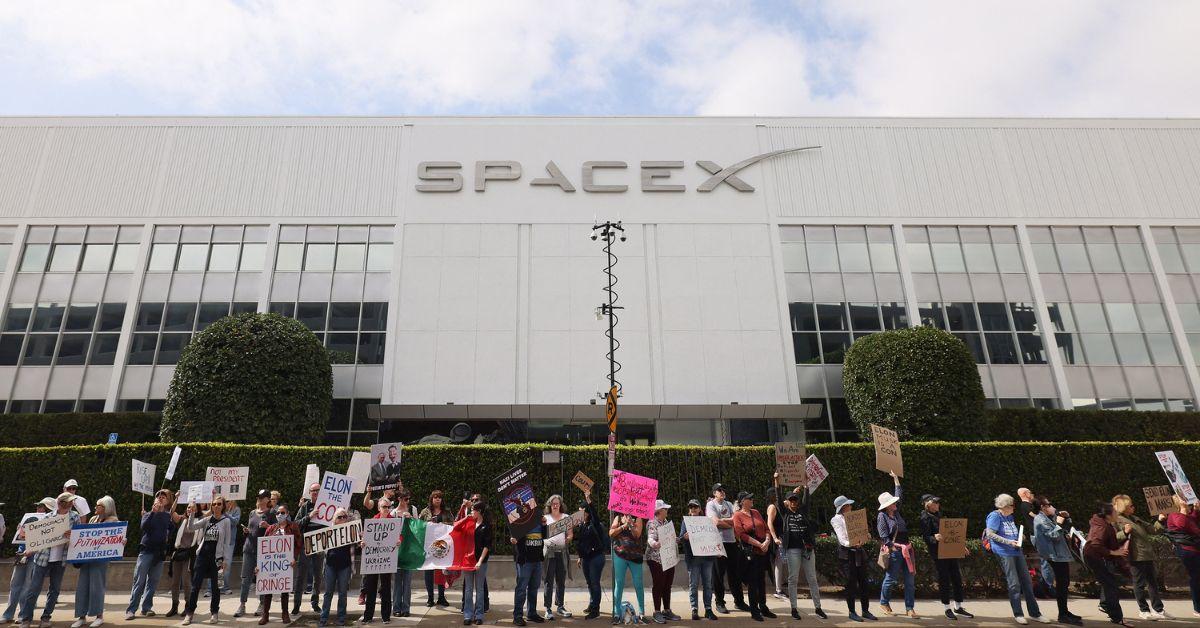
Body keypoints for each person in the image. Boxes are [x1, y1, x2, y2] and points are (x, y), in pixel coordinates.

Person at [19, 492, 82, 628]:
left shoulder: (75, 517)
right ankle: (26, 619)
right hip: (42, 558)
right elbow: (37, 539)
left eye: (71, 501)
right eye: (69, 501)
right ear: (61, 503)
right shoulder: (47, 517)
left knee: (54, 590)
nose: (71, 503)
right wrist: (29, 549)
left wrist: (72, 536)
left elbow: (78, 539)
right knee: (33, 590)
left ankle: (46, 618)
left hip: (61, 560)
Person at [985, 493, 1050, 625]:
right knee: (1014, 584)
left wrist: (1020, 537)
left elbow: (1012, 531)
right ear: (1004, 506)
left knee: (1027, 581)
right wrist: (1009, 542)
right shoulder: (995, 516)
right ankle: (1018, 614)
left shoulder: (1009, 516)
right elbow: (990, 534)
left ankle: (1035, 613)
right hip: (1004, 552)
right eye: (1012, 506)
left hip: (1017, 551)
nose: (1014, 508)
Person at [770, 473, 824, 620]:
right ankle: (794, 608)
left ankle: (818, 607)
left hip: (807, 549)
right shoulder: (785, 513)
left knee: (812, 578)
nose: (794, 502)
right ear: (788, 502)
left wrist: (806, 484)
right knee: (793, 579)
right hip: (793, 549)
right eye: (791, 500)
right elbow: (779, 499)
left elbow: (808, 498)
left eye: (795, 500)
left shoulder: (803, 511)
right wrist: (776, 481)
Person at [127, 488, 183, 620]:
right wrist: (152, 513)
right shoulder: (147, 513)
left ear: (167, 501)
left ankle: (146, 608)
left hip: (159, 553)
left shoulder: (167, 515)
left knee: (152, 582)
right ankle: (131, 609)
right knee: (139, 581)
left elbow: (172, 527)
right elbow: (144, 527)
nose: (161, 498)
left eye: (164, 497)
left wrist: (176, 501)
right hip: (146, 551)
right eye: (159, 496)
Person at [1113, 494, 1171, 620]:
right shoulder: (1116, 520)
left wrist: (1160, 520)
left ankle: (1158, 609)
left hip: (1146, 554)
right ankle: (1143, 610)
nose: (1133, 507)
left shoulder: (1135, 518)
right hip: (1135, 556)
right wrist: (1124, 533)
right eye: (1130, 506)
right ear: (1124, 508)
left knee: (1152, 583)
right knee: (1139, 584)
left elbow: (1154, 530)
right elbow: (1112, 538)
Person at [917, 494, 972, 621]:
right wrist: (933, 538)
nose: (938, 504)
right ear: (927, 504)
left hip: (950, 551)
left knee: (957, 578)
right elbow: (926, 538)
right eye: (935, 502)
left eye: (938, 502)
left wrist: (960, 546)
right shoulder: (924, 517)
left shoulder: (939, 515)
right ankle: (947, 608)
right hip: (938, 553)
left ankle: (958, 607)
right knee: (945, 580)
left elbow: (949, 534)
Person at [182, 494, 234, 626]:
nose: (216, 506)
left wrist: (226, 560)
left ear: (223, 506)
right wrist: (192, 513)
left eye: (219, 504)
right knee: (195, 586)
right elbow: (191, 527)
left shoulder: (226, 521)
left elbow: (227, 542)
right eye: (214, 504)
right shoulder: (207, 519)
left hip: (218, 559)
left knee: (217, 587)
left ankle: (214, 613)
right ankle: (189, 613)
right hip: (202, 557)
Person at [1031, 497, 1081, 625]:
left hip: (1059, 555)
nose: (1052, 507)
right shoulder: (1040, 519)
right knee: (1062, 584)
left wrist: (1066, 517)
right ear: (1042, 507)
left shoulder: (1047, 518)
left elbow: (1064, 527)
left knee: (1064, 583)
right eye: (1049, 504)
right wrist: (1058, 523)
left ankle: (1065, 611)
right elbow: (1054, 536)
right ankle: (1062, 614)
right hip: (1055, 556)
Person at [3, 499, 52, 624]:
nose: (39, 509)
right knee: (15, 584)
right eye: (37, 507)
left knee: (27, 586)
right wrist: (19, 530)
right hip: (21, 554)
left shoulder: (47, 521)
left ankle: (22, 615)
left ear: (46, 508)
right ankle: (8, 615)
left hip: (34, 556)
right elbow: (20, 537)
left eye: (41, 507)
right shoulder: (28, 518)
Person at [73, 495, 118, 628]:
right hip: (87, 559)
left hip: (100, 560)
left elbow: (115, 539)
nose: (96, 507)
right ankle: (81, 617)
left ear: (106, 508)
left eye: (99, 505)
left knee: (97, 587)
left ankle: (99, 616)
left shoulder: (113, 521)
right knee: (82, 587)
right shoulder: (93, 519)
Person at [875, 472, 916, 618]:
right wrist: (892, 547)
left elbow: (900, 494)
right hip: (895, 551)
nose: (895, 503)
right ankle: (884, 603)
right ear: (887, 506)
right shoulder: (882, 516)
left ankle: (909, 608)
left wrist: (895, 479)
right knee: (890, 579)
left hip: (907, 550)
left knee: (910, 581)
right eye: (893, 502)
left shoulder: (896, 512)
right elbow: (883, 536)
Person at [1085, 502, 1132, 626]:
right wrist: (1114, 552)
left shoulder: (1103, 524)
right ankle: (1116, 616)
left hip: (1097, 557)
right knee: (1110, 586)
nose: (1117, 514)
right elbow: (1095, 544)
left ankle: (1107, 607)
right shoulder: (1102, 527)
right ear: (1108, 515)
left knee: (1109, 583)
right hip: (1095, 558)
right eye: (1115, 512)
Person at [830, 496, 875, 622]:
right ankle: (852, 612)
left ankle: (865, 611)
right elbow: (842, 539)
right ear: (843, 507)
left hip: (859, 553)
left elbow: (862, 533)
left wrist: (865, 536)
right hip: (847, 555)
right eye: (848, 505)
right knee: (851, 584)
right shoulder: (836, 520)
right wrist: (853, 543)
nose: (851, 507)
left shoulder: (854, 518)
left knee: (864, 583)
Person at [732, 491, 774, 622]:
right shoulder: (737, 515)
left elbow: (766, 528)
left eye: (751, 498)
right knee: (752, 582)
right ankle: (754, 610)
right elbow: (741, 534)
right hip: (750, 553)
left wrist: (767, 541)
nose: (751, 500)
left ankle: (763, 606)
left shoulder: (756, 512)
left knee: (762, 581)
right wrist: (758, 544)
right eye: (749, 498)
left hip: (762, 552)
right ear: (742, 501)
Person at [258, 503, 300, 625]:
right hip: (270, 565)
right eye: (278, 513)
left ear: (287, 514)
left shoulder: (293, 527)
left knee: (284, 589)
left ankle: (285, 614)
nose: (280, 515)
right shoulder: (271, 529)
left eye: (282, 513)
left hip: (286, 563)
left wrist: (294, 558)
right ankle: (265, 615)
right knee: (268, 589)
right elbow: (263, 548)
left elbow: (298, 544)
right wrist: (259, 564)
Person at [705, 484, 745, 614]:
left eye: (723, 490)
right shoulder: (711, 505)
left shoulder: (728, 504)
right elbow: (715, 522)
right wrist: (729, 522)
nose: (722, 492)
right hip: (718, 543)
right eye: (719, 490)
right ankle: (720, 602)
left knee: (735, 573)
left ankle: (739, 601)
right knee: (718, 574)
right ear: (714, 493)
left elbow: (737, 521)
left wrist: (725, 521)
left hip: (732, 542)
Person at [237, 490, 276, 618]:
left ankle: (262, 604)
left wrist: (268, 526)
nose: (259, 499)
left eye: (262, 497)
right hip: (248, 549)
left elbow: (277, 531)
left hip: (263, 552)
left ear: (267, 499)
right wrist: (246, 531)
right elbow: (251, 529)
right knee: (245, 579)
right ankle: (242, 605)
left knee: (262, 579)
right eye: (258, 497)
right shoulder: (252, 513)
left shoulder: (272, 513)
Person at [679, 499, 717, 621]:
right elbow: (681, 538)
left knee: (708, 585)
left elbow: (713, 537)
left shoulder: (707, 521)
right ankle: (694, 609)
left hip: (707, 558)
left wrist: (718, 550)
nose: (693, 509)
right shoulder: (685, 521)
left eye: (695, 507)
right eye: (691, 507)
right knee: (693, 585)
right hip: (693, 559)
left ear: (700, 509)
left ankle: (708, 609)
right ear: (689, 510)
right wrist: (684, 537)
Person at [360, 497, 395, 625]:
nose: (387, 509)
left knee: (386, 587)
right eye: (384, 507)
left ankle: (386, 616)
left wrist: (398, 541)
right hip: (373, 560)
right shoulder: (373, 521)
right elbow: (366, 538)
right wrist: (363, 543)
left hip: (386, 559)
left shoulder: (393, 522)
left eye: (388, 507)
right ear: (379, 508)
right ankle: (368, 615)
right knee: (371, 587)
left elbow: (399, 535)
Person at [574, 489, 608, 620]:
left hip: (596, 557)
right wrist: (579, 556)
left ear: (587, 512)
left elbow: (595, 514)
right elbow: (581, 542)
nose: (579, 513)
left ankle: (595, 610)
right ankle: (592, 603)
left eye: (581, 511)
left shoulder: (595, 524)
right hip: (586, 558)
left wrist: (589, 500)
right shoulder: (582, 525)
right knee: (589, 583)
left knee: (594, 583)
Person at [1165, 494, 1200, 618]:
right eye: (1182, 499)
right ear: (1177, 503)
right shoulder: (1174, 515)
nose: (1186, 500)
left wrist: (1195, 510)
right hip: (1187, 550)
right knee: (1196, 578)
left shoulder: (1186, 515)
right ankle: (1198, 608)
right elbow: (1182, 525)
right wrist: (1184, 508)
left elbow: (1193, 523)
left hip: (1195, 549)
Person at [609, 512, 647, 625]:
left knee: (638, 584)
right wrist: (622, 526)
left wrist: (630, 524)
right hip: (620, 554)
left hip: (635, 556)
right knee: (619, 583)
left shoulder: (638, 518)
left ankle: (642, 613)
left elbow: (637, 535)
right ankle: (617, 614)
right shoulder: (618, 518)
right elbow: (611, 533)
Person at [320, 509, 354, 627]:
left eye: (345, 517)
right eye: (340, 517)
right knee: (328, 593)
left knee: (343, 593)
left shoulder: (351, 530)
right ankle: (323, 619)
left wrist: (362, 539)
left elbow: (359, 545)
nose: (343, 519)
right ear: (334, 519)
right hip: (330, 565)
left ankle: (341, 618)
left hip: (345, 566)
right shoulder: (328, 530)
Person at [418, 490, 453, 608]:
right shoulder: (425, 512)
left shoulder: (447, 512)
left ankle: (441, 597)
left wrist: (442, 523)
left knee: (441, 572)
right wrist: (429, 523)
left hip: (442, 546)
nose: (437, 499)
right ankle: (430, 598)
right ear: (431, 499)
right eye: (435, 497)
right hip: (428, 546)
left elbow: (452, 526)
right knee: (428, 571)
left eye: (439, 497)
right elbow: (419, 526)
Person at [647, 499, 679, 624]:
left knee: (667, 584)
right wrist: (655, 544)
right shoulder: (652, 523)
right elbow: (650, 539)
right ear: (659, 511)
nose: (667, 510)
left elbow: (670, 537)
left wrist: (676, 539)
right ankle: (656, 611)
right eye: (665, 509)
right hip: (656, 559)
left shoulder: (666, 522)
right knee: (659, 584)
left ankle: (666, 610)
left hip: (668, 557)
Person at [512, 511, 546, 627]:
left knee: (534, 588)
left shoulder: (539, 521)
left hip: (537, 560)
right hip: (525, 561)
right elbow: (515, 537)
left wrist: (544, 525)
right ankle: (517, 616)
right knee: (521, 589)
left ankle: (531, 613)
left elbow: (545, 536)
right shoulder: (520, 522)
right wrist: (513, 538)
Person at [294, 484, 324, 615]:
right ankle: (296, 605)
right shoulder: (305, 507)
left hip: (320, 543)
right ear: (309, 492)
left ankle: (315, 603)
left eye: (318, 490)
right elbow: (296, 525)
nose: (316, 492)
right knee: (301, 575)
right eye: (313, 491)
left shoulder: (326, 505)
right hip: (306, 543)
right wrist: (309, 516)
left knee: (318, 576)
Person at [542, 494, 573, 620]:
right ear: (550, 505)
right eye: (553, 503)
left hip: (562, 552)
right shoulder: (545, 518)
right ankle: (547, 609)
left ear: (560, 505)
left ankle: (560, 607)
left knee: (561, 581)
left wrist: (568, 539)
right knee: (548, 581)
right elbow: (541, 534)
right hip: (549, 553)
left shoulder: (566, 518)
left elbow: (570, 534)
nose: (555, 505)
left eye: (557, 503)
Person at [167, 502, 201, 618]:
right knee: (175, 582)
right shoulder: (182, 519)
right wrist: (176, 499)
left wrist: (212, 497)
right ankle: (174, 606)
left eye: (192, 508)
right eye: (188, 507)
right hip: (178, 553)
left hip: (189, 554)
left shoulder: (198, 522)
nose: (189, 509)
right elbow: (171, 512)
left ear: (196, 510)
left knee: (187, 582)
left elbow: (211, 512)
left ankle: (188, 606)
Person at [1017, 488, 1054, 590]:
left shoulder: (1029, 505)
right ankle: (1048, 586)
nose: (1031, 493)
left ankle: (1048, 584)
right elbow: (1035, 516)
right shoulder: (1025, 505)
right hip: (1038, 535)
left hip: (1038, 535)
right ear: (1025, 494)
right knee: (1045, 560)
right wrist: (1046, 512)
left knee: (1047, 560)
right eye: (1029, 492)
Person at [390, 490, 418, 618]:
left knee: (407, 581)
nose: (407, 501)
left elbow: (419, 529)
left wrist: (411, 519)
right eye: (405, 499)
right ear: (399, 499)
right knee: (397, 581)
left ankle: (406, 608)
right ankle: (396, 607)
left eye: (408, 499)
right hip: (397, 550)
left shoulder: (413, 510)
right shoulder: (393, 512)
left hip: (409, 550)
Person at [463, 501, 492, 626]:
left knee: (479, 589)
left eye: (473, 510)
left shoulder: (486, 526)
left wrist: (480, 561)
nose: (471, 512)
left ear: (479, 511)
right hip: (468, 561)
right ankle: (468, 615)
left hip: (481, 562)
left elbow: (487, 546)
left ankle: (479, 615)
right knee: (468, 589)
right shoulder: (469, 524)